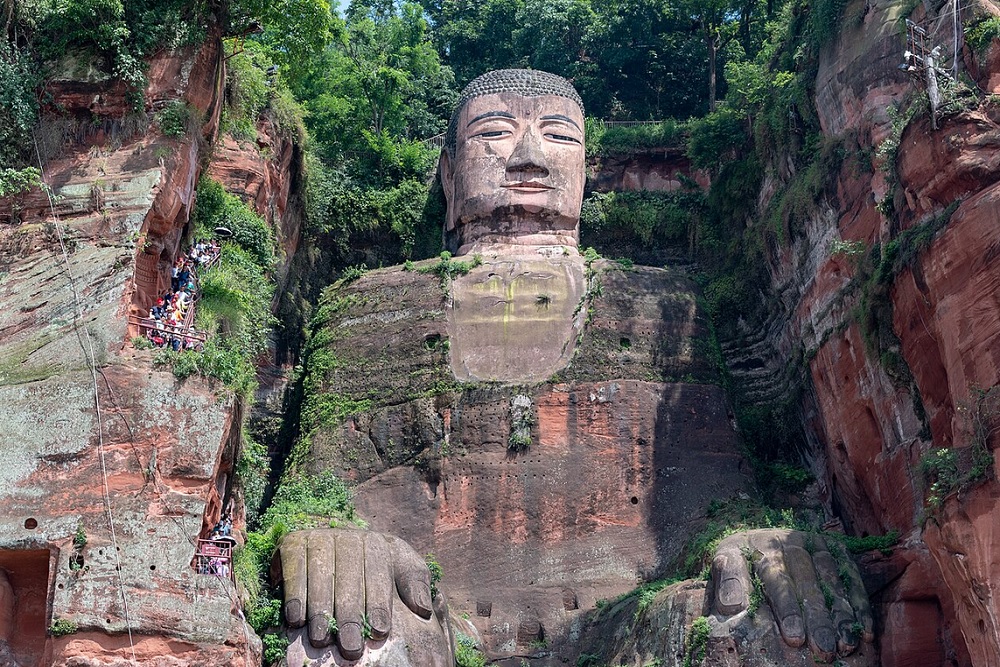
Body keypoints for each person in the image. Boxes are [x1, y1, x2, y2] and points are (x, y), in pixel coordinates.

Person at [272, 70, 874, 666]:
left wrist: (756, 538)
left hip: (627, 626)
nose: (529, 158)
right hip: (431, 619)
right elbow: (320, 494)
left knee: (764, 620)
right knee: (343, 630)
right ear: (450, 175)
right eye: (495, 134)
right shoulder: (376, 304)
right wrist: (333, 535)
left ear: (585, 171)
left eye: (559, 137)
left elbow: (716, 503)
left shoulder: (662, 304)